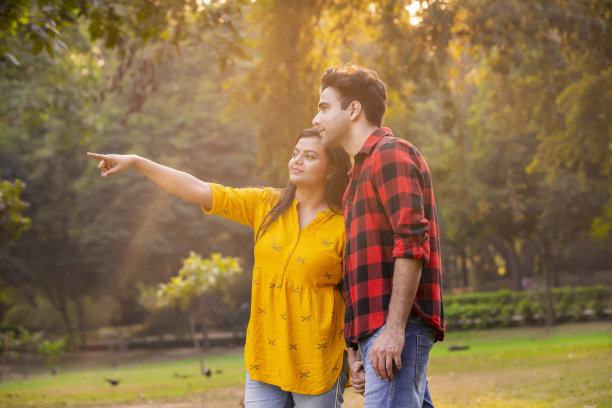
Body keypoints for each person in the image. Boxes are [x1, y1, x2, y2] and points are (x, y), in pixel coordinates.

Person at [87, 127, 352, 408]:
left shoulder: (345, 225)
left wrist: (355, 352)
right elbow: (198, 189)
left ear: (331, 170)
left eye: (309, 156)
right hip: (265, 359)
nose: (297, 160)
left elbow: (356, 294)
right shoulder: (266, 205)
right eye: (295, 153)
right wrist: (138, 161)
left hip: (320, 361)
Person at [312, 65, 445, 407]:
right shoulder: (358, 174)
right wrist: (354, 345)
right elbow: (357, 267)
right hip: (375, 331)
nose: (316, 118)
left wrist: (395, 329)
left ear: (353, 109)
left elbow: (412, 243)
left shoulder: (390, 155)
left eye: (324, 107)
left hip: (396, 328)